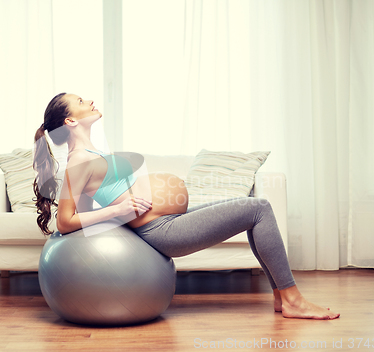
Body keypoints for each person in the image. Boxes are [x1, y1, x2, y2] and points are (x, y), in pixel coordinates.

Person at [33, 92, 340, 320]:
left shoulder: (90, 152)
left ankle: (281, 297)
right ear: (70, 120)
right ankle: (292, 299)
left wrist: (115, 208)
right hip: (161, 230)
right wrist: (118, 210)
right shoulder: (77, 162)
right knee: (258, 209)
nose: (89, 100)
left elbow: (88, 207)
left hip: (164, 220)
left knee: (255, 210)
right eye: (80, 100)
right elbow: (66, 221)